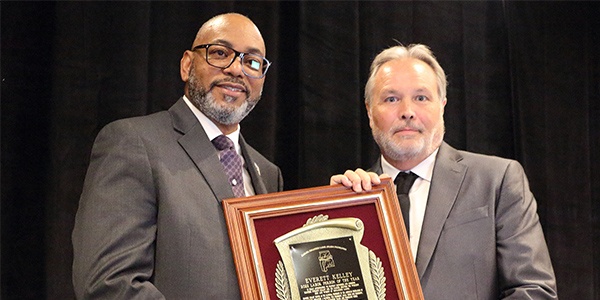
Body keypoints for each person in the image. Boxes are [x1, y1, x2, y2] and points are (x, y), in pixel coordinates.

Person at [72, 13, 283, 299]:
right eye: (220, 53)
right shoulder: (135, 143)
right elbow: (109, 283)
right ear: (187, 65)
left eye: (252, 61)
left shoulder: (268, 174)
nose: (237, 69)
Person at [331, 44, 558, 299]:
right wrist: (334, 209)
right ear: (370, 112)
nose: (407, 111)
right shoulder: (352, 196)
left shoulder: (496, 180)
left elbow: (534, 291)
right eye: (391, 99)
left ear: (442, 106)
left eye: (421, 97)